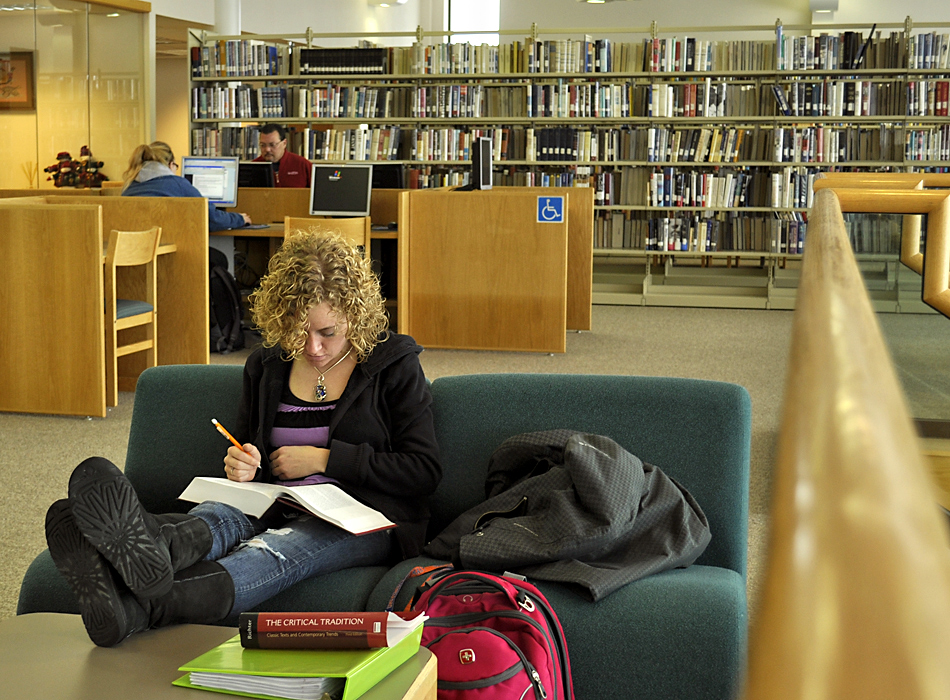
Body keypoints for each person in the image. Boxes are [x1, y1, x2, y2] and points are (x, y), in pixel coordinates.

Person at [44, 232, 442, 647]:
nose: (312, 347)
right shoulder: (267, 365)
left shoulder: (394, 364)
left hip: (365, 517)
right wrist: (246, 463)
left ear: (355, 315)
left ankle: (140, 602)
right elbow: (255, 452)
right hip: (278, 499)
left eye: (328, 332)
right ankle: (153, 550)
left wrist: (325, 460)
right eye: (298, 331)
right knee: (220, 513)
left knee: (276, 550)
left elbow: (424, 472)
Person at [121, 141, 251, 232]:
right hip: (170, 251)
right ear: (170, 165)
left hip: (134, 254)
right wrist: (240, 219)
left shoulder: (129, 186)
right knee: (220, 259)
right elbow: (211, 218)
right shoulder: (177, 183)